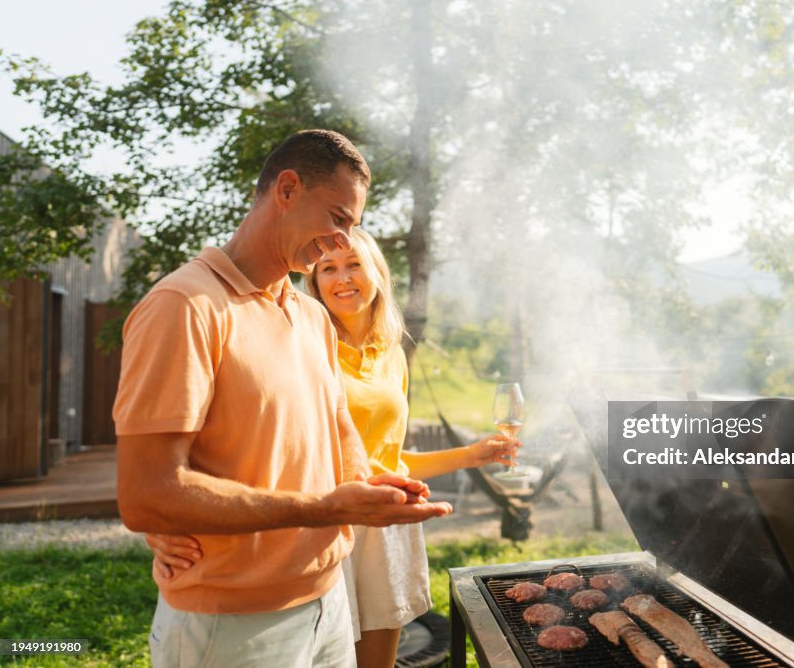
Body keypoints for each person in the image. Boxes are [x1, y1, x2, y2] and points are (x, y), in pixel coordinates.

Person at [113, 129, 453, 668]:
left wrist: (369, 485)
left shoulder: (311, 314)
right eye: (338, 218)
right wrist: (324, 509)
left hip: (329, 603)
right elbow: (147, 494)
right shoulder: (184, 305)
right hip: (231, 625)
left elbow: (336, 428)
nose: (343, 242)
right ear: (287, 189)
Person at [147, 227, 521, 668]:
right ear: (316, 280)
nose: (342, 278)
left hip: (384, 524)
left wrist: (473, 455)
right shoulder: (305, 340)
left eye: (354, 265)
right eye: (328, 268)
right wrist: (168, 513)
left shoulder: (392, 354)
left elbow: (384, 461)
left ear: (377, 273)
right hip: (323, 519)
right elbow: (249, 432)